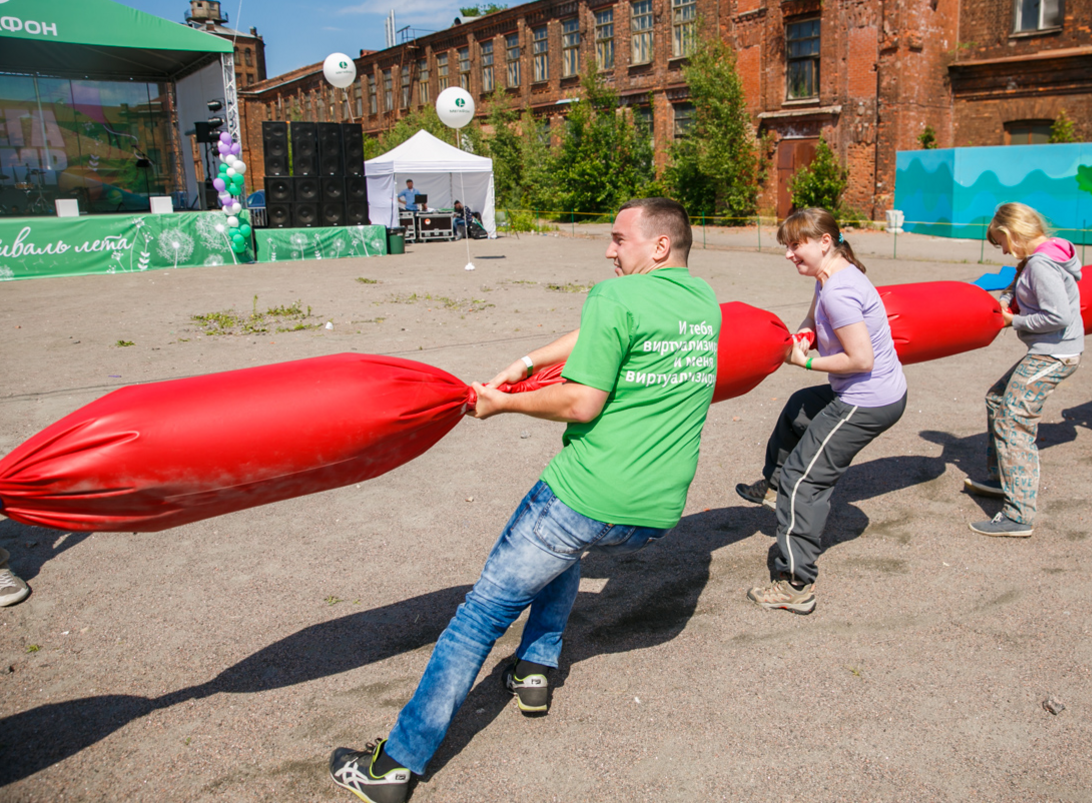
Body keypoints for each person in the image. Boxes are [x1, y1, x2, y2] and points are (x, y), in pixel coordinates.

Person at [329, 197, 720, 803]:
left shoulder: (614, 296)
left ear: (659, 245)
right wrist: (529, 361)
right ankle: (536, 669)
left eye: (620, 239)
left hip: (586, 494)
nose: (610, 250)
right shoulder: (702, 303)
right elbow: (603, 336)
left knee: (481, 614)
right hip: (651, 514)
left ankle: (395, 766)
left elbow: (581, 402)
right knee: (565, 554)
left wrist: (502, 401)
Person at [735, 208, 906, 614]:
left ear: (824, 242)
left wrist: (805, 363)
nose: (788, 254)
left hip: (866, 400)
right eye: (787, 246)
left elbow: (860, 359)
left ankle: (796, 584)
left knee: (804, 481)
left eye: (796, 245)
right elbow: (815, 316)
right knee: (798, 408)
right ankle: (773, 487)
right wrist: (806, 333)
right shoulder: (830, 276)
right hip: (869, 392)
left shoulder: (840, 291)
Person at [963, 203, 1082, 538]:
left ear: (1011, 232)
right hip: (1049, 350)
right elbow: (1019, 289)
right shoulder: (1037, 259)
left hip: (1055, 354)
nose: (1003, 251)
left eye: (1002, 243)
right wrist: (1004, 300)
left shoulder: (1042, 264)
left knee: (1013, 419)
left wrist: (1013, 320)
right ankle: (1003, 480)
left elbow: (1058, 316)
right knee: (997, 399)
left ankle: (1018, 514)